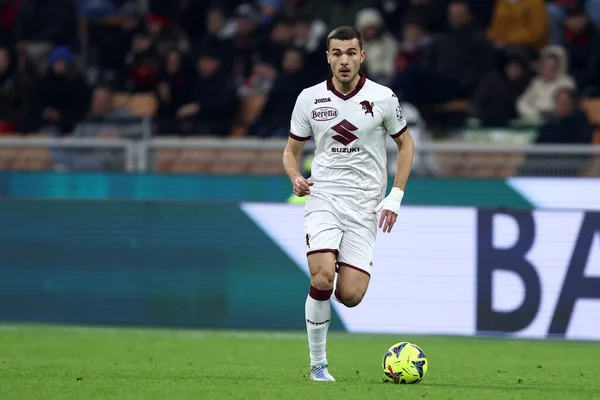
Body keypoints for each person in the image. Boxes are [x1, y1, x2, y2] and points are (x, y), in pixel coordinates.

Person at [282, 26, 415, 381]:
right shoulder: (309, 98)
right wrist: (295, 175)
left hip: (365, 205)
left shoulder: (383, 97)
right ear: (327, 56)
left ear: (362, 56)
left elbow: (406, 146)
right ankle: (318, 365)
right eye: (337, 53)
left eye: (350, 52)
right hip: (324, 196)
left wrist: (396, 196)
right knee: (322, 277)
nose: (344, 60)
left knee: (351, 295)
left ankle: (334, 257)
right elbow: (291, 151)